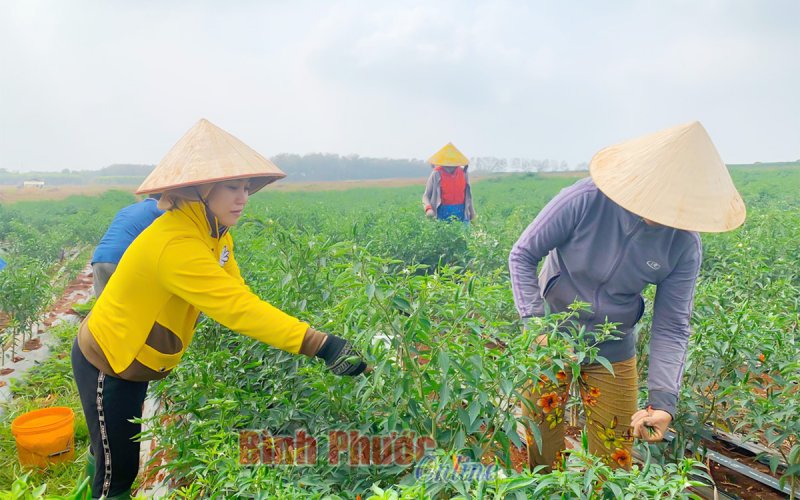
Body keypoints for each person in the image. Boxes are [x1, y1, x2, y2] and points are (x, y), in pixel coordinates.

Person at [71, 119, 369, 499]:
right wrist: (320, 344)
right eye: (232, 187)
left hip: (135, 356)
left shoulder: (213, 235)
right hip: (108, 361)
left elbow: (236, 292)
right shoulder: (177, 243)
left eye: (246, 188)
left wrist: (309, 338)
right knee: (118, 476)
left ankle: (96, 465)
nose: (243, 197)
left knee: (113, 452)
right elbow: (236, 308)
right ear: (201, 189)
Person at [508, 121, 745, 471]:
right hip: (552, 337)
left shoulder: (683, 245)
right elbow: (523, 254)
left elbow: (671, 325)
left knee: (614, 456)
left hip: (613, 346)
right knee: (542, 442)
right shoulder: (586, 199)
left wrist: (663, 401)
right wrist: (536, 326)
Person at [91, 195, 164, 296]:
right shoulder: (159, 209)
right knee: (130, 302)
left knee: (101, 306)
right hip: (121, 258)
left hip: (99, 257)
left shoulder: (127, 209)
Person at [422, 142, 476, 223]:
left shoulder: (463, 173)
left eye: (452, 164)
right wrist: (428, 209)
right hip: (442, 215)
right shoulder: (436, 174)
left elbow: (468, 196)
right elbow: (426, 196)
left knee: (463, 235)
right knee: (444, 234)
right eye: (447, 164)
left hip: (462, 214)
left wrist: (472, 212)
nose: (449, 167)